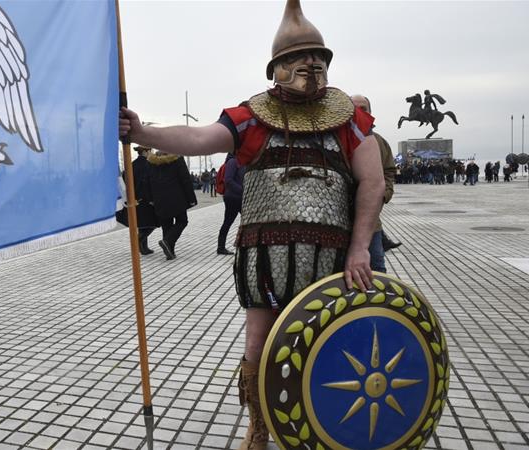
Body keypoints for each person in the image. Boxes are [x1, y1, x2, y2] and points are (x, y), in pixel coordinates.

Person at [119, 1, 385, 446]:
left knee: (332, 348)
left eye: (318, 58)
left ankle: (327, 430)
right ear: (277, 67)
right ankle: (259, 428)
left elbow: (372, 183)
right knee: (259, 351)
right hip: (266, 256)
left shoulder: (351, 121)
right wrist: (144, 132)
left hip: (334, 260)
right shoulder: (251, 117)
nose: (311, 65)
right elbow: (199, 137)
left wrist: (360, 246)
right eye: (299, 58)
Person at [351, 95, 399, 270]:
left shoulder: (379, 141)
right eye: (354, 107)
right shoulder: (337, 138)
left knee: (376, 267)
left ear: (370, 112)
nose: (358, 112)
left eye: (363, 108)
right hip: (339, 218)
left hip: (371, 221)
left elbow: (389, 171)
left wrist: (383, 194)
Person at [148, 150, 197, 260]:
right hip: (177, 198)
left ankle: (170, 251)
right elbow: (185, 179)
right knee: (182, 221)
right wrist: (191, 199)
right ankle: (167, 242)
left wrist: (151, 199)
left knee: (166, 225)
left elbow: (149, 181)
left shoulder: (152, 162)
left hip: (159, 199)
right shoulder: (177, 159)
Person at [131, 146, 159, 255]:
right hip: (147, 199)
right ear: (145, 152)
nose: (151, 153)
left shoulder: (132, 165)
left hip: (135, 199)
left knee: (142, 224)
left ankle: (144, 248)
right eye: (150, 151)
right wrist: (152, 198)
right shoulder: (148, 165)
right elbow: (149, 183)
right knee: (152, 223)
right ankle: (138, 241)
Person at [217, 153, 245, 255]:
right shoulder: (233, 162)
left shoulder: (241, 162)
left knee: (245, 221)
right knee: (228, 221)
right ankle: (221, 247)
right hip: (233, 198)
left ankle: (242, 244)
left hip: (239, 197)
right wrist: (243, 190)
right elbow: (228, 180)